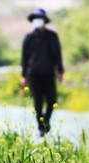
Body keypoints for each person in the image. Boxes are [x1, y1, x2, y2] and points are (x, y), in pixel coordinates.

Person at [21, 8, 64, 137]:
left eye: (40, 18)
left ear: (45, 21)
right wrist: (23, 75)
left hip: (49, 73)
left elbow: (58, 55)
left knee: (52, 101)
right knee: (38, 102)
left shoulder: (52, 36)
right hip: (34, 73)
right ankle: (41, 126)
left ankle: (46, 121)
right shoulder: (29, 37)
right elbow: (24, 57)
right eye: (35, 19)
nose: (38, 21)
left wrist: (60, 71)